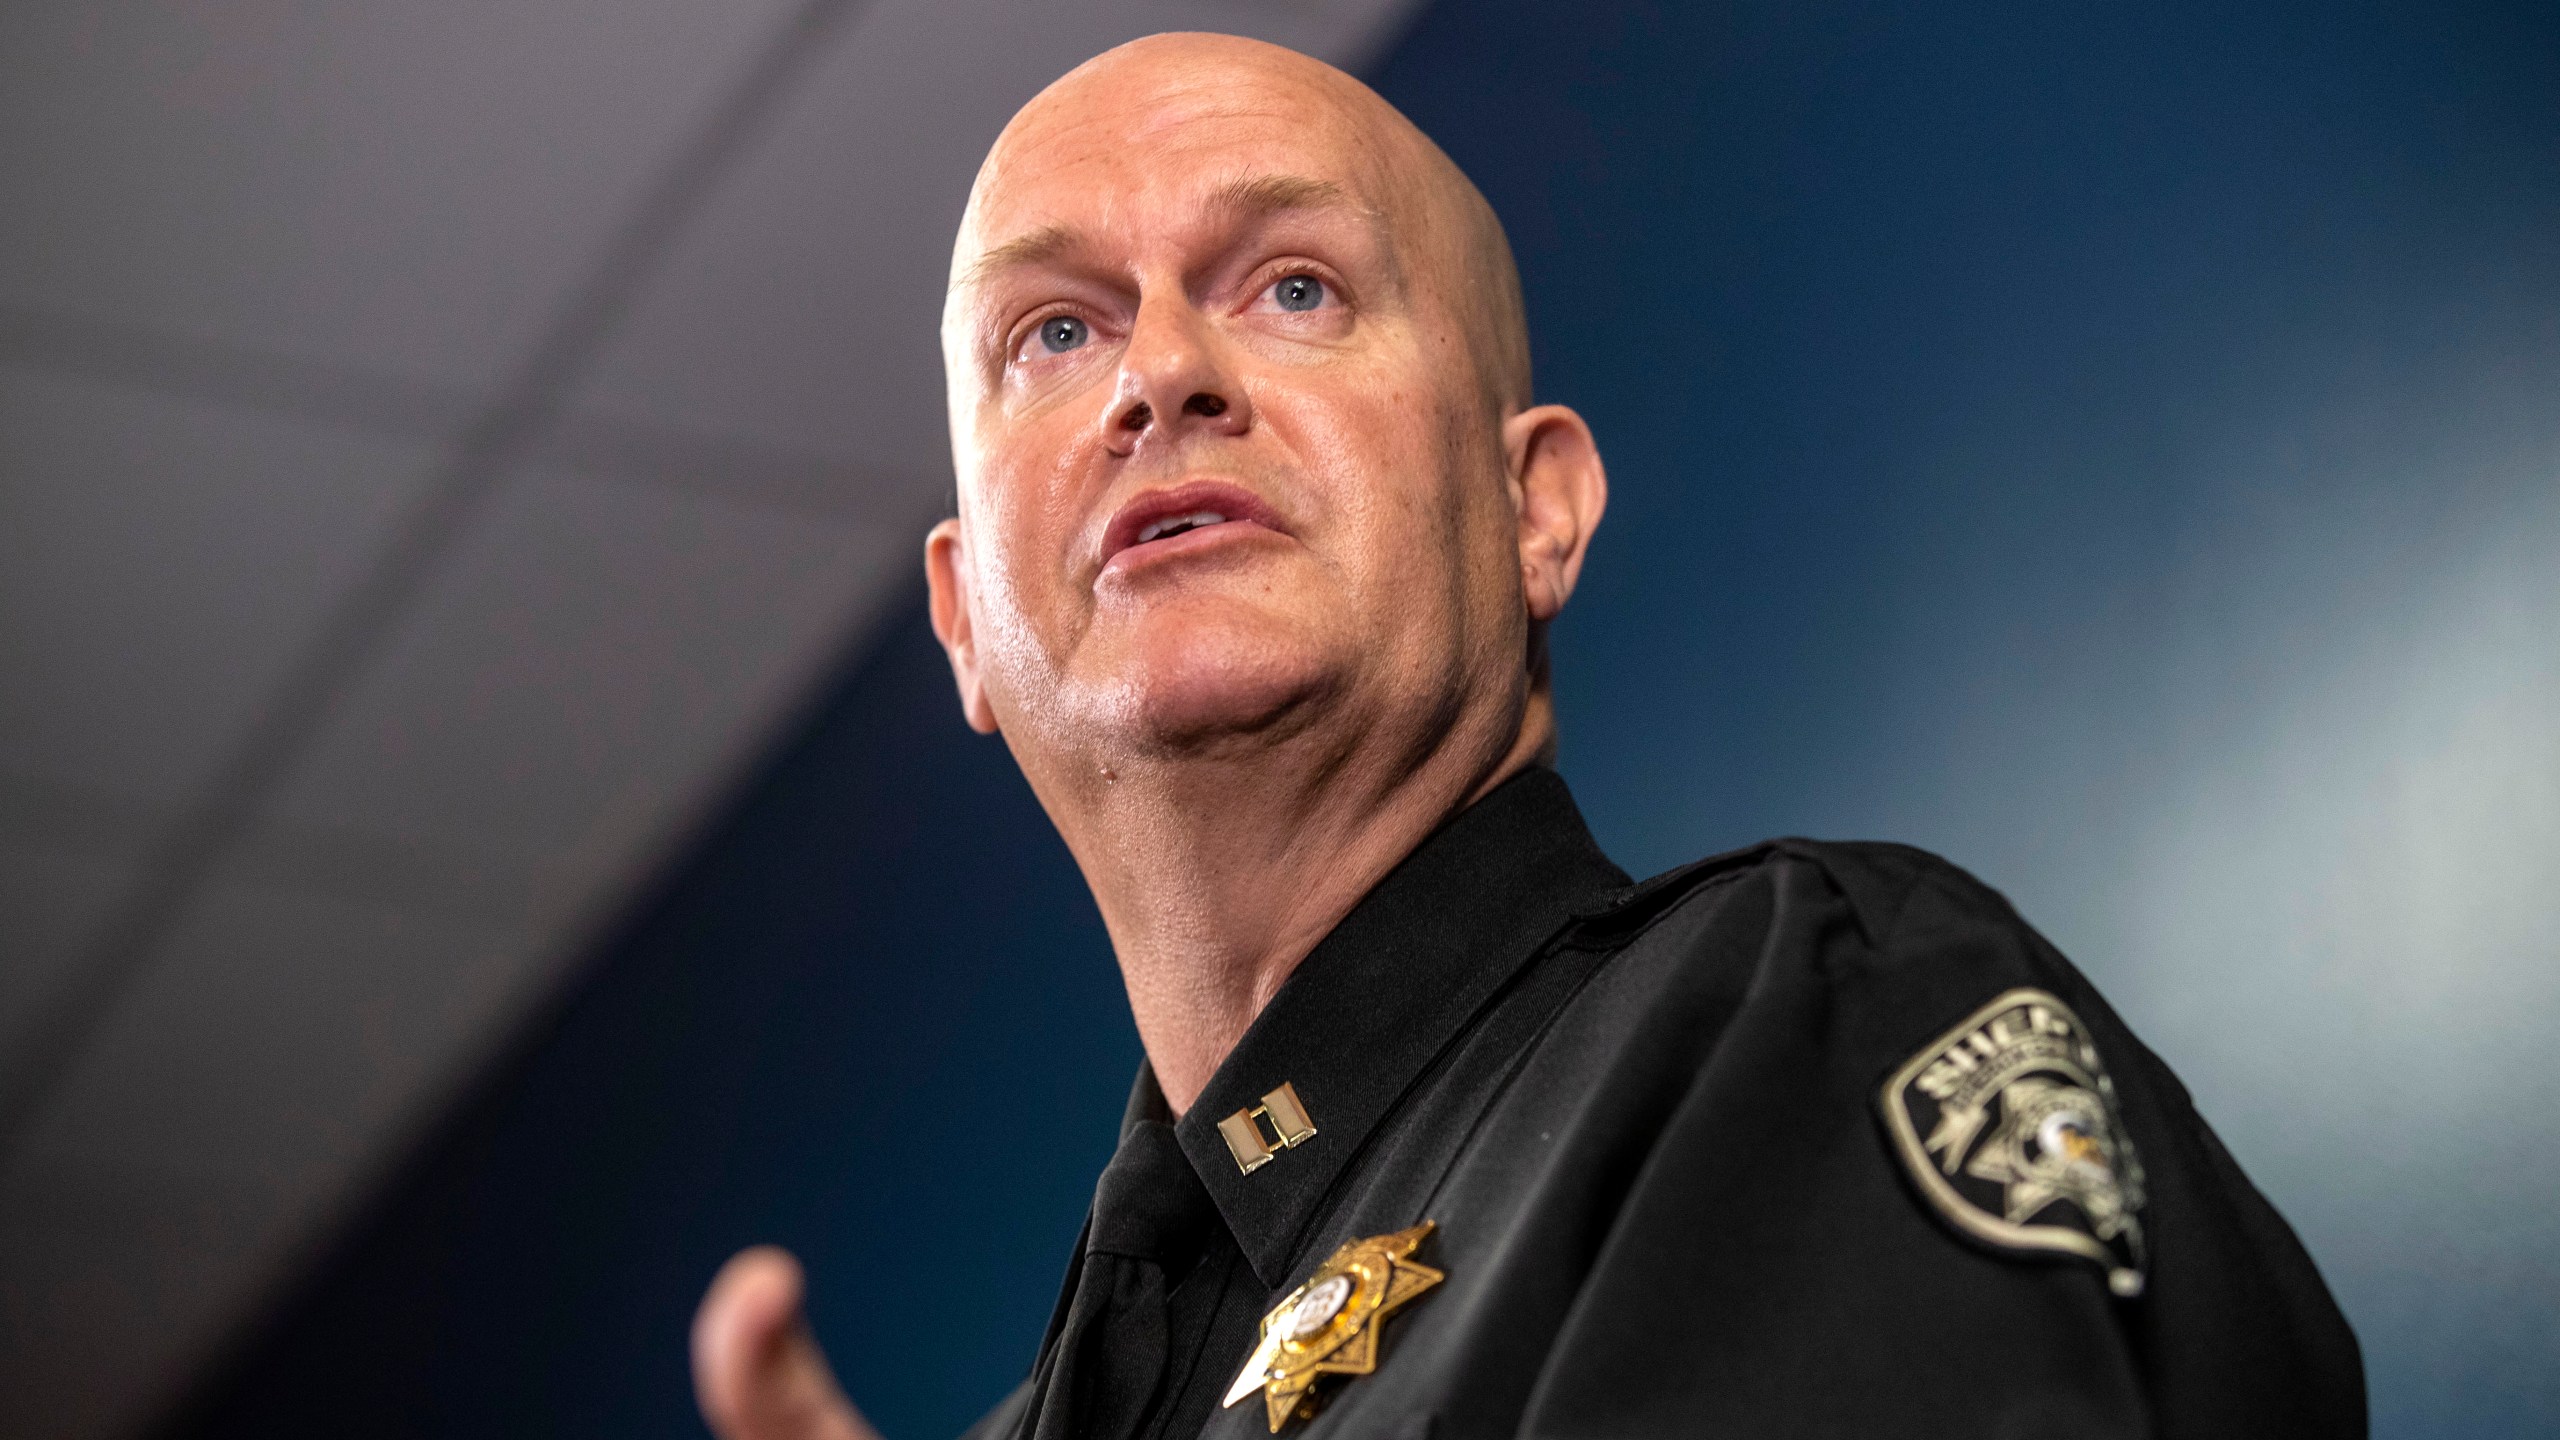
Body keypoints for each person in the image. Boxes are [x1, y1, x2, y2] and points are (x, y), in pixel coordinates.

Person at [688, 31, 2364, 1440]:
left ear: (1533, 506)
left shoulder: (1805, 1011)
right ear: (968, 613)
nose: (1161, 374)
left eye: (1291, 287)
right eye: (1053, 331)